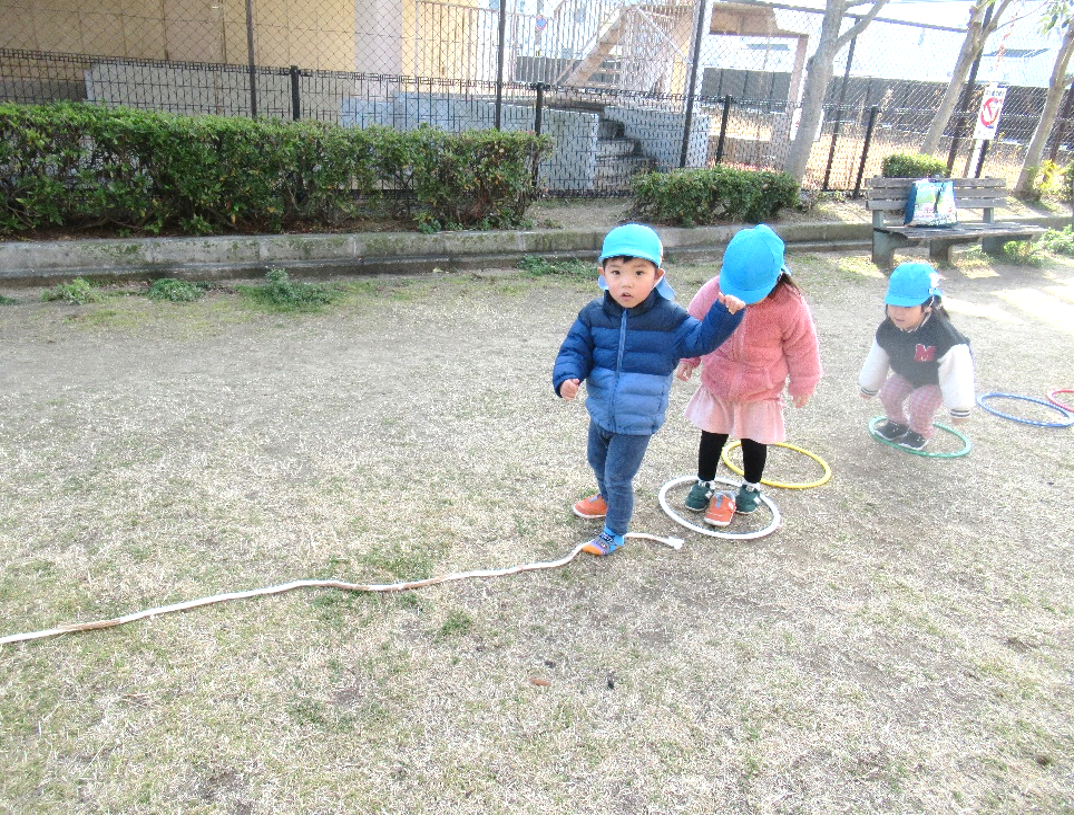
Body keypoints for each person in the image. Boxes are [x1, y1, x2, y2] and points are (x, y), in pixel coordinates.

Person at [553, 223, 746, 556]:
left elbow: (700, 340)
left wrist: (724, 315)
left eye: (639, 272)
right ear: (603, 273)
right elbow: (575, 349)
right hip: (600, 411)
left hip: (637, 420)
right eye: (616, 272)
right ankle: (607, 500)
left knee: (617, 474)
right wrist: (567, 377)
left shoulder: (669, 318)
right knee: (596, 461)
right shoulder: (593, 314)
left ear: (657, 276)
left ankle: (614, 531)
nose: (626, 282)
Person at [675, 224, 822, 526]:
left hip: (761, 389)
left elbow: (803, 347)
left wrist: (803, 383)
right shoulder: (715, 289)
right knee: (712, 434)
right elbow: (694, 323)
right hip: (719, 380)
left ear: (776, 277)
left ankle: (751, 486)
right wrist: (689, 357)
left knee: (754, 440)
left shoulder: (789, 304)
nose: (740, 299)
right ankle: (704, 481)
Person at [859, 261, 974, 450]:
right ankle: (897, 423)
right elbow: (878, 355)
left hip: (935, 379)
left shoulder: (944, 335)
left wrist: (959, 408)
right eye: (893, 304)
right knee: (889, 393)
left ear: (929, 305)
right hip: (908, 372)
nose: (897, 312)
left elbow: (957, 369)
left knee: (919, 402)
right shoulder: (888, 327)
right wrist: (868, 386)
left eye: (907, 307)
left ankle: (920, 432)